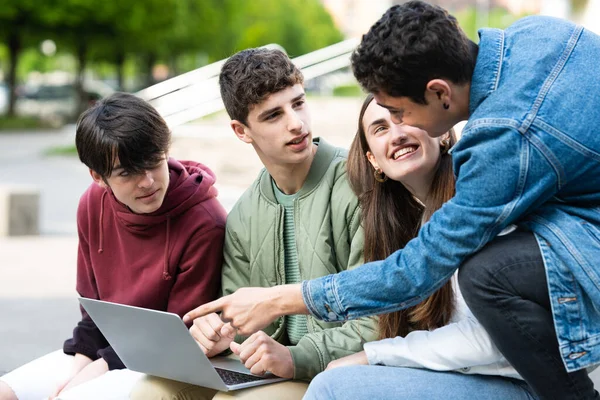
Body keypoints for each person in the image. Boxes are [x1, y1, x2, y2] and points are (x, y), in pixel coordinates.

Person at [184, 2, 600, 399]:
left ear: (439, 93)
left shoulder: (502, 146)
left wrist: (283, 302)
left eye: (399, 112)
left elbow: (417, 271)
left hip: (554, 310)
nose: (400, 127)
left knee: (485, 273)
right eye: (379, 125)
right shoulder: (537, 34)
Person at [130, 48, 377, 400]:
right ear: (241, 131)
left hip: (338, 366)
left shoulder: (360, 185)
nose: (296, 123)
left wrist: (295, 356)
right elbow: (239, 320)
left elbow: (380, 319)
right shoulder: (244, 212)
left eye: (298, 103)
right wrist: (218, 334)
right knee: (150, 392)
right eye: (273, 115)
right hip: (267, 365)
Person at [303, 94, 536, 399]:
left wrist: (375, 355)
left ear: (441, 132)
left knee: (331, 387)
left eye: (403, 118)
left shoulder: (476, 204)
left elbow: (496, 337)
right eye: (380, 128)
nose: (397, 134)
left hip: (530, 384)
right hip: (477, 380)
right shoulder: (415, 224)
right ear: (374, 160)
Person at [0, 92, 227, 400]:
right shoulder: (92, 205)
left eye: (153, 162)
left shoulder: (204, 220)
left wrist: (92, 375)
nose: (147, 181)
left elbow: (178, 333)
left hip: (164, 362)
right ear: (98, 177)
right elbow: (94, 310)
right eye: (127, 173)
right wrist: (79, 366)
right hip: (110, 348)